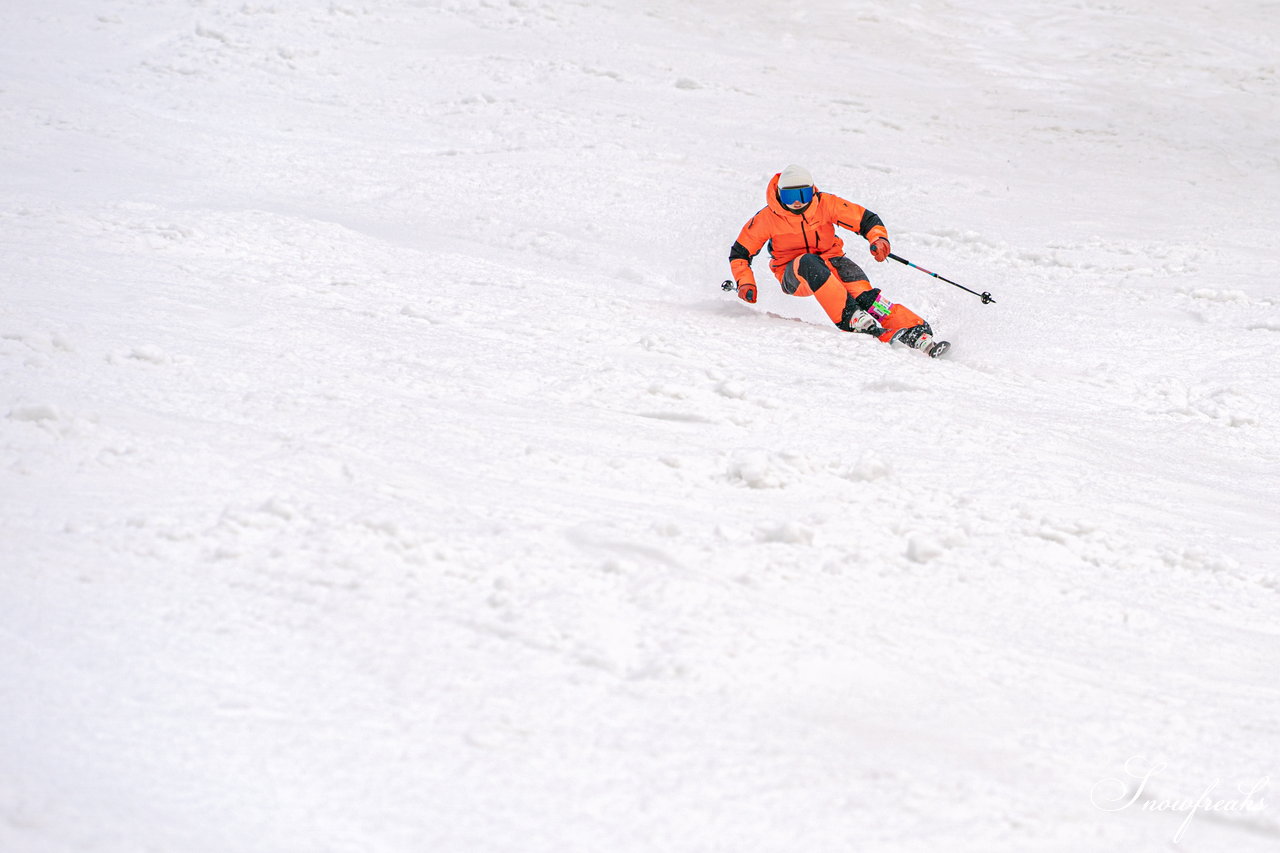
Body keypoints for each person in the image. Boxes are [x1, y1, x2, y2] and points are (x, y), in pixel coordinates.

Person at [728, 165, 945, 356]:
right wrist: (745, 282)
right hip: (793, 273)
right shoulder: (767, 218)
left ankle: (916, 331)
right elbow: (740, 253)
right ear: (779, 195)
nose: (796, 202)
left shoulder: (825, 204)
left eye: (802, 195)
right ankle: (850, 316)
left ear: (811, 191)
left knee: (864, 294)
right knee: (808, 262)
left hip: (832, 261)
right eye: (789, 197)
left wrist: (878, 239)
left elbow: (866, 219)